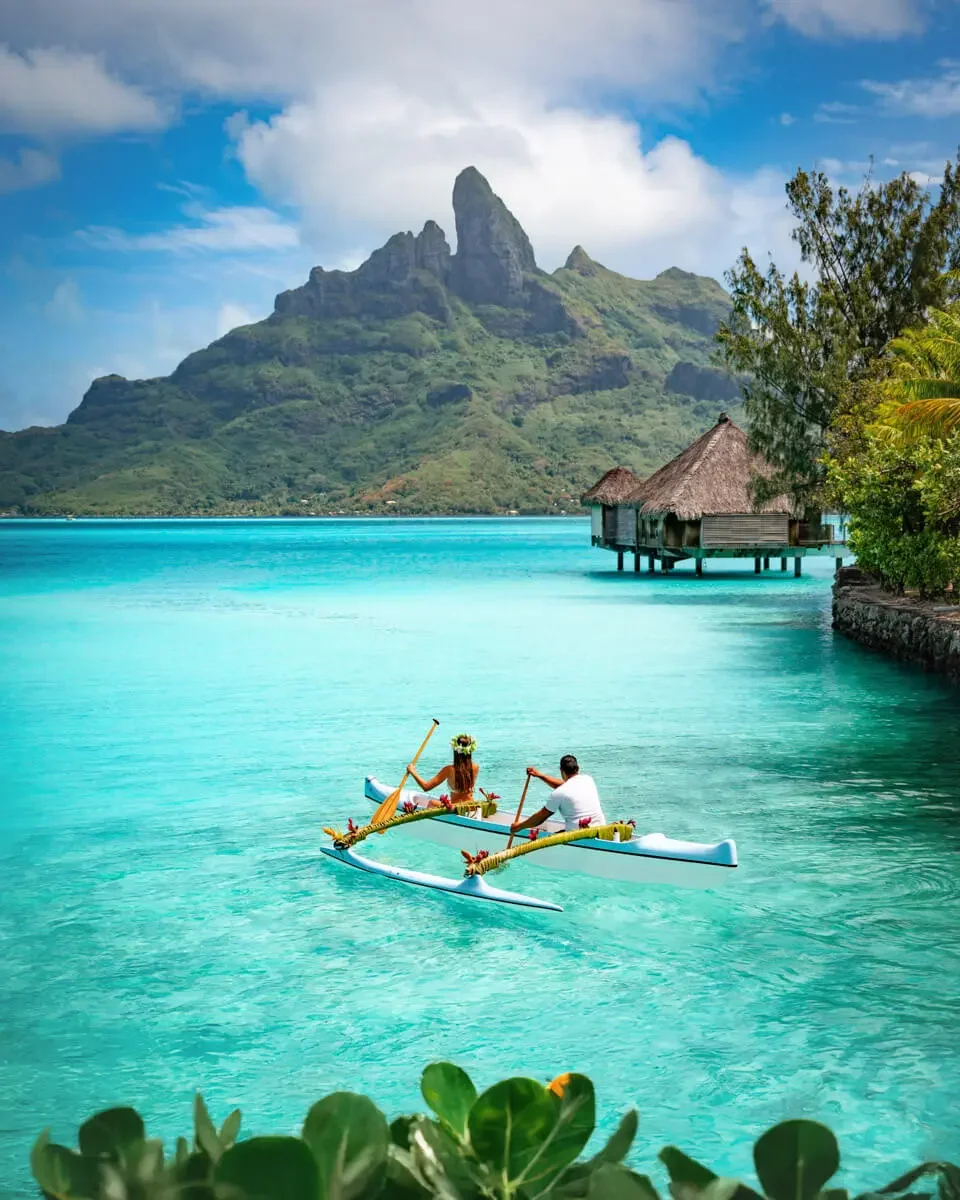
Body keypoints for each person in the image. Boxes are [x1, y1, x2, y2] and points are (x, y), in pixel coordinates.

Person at [511, 754, 606, 834]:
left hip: (578, 835)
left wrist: (519, 826)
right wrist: (540, 775)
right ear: (577, 768)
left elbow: (540, 817)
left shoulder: (559, 793)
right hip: (601, 830)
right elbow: (566, 786)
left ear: (561, 770)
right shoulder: (588, 779)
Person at [408, 732, 479, 808]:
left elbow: (426, 787)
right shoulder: (475, 767)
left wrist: (413, 771)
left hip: (456, 808)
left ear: (455, 750)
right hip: (471, 806)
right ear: (470, 750)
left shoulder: (449, 770)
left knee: (432, 803)